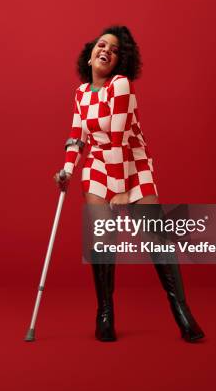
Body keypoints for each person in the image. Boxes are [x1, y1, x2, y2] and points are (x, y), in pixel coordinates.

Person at [54, 25, 205, 343]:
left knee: (156, 236)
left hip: (131, 164)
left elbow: (120, 138)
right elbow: (77, 137)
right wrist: (67, 169)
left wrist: (122, 187)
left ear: (120, 62)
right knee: (101, 236)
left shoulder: (120, 85)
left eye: (115, 49)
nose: (106, 50)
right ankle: (105, 312)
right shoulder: (81, 93)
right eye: (101, 44)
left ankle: (181, 309)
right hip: (97, 165)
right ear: (91, 52)